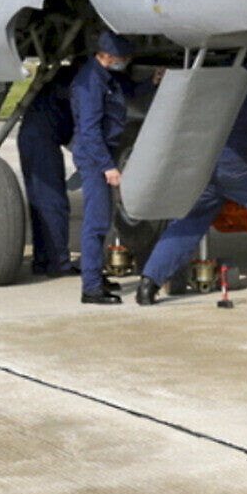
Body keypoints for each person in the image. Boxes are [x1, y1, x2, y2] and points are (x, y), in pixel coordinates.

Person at [134, 62, 247, 306]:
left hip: (204, 162)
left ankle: (148, 284)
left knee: (186, 225)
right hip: (240, 166)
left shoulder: (220, 84)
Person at [71, 31, 142, 305]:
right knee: (96, 223)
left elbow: (128, 93)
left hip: (102, 152)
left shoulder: (106, 77)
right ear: (109, 57)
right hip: (94, 157)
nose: (124, 62)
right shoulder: (90, 83)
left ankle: (96, 277)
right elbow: (89, 132)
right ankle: (90, 288)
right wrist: (107, 167)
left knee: (102, 218)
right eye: (122, 59)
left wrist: (152, 81)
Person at [15, 59, 81, 277]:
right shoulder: (80, 80)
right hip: (41, 139)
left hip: (34, 136)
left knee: (40, 203)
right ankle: (58, 263)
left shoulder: (65, 75)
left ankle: (43, 260)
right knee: (52, 201)